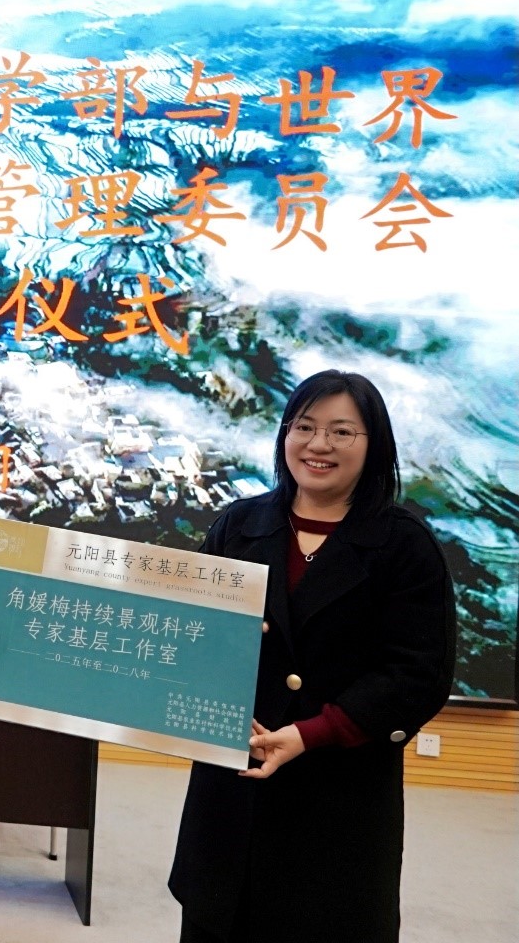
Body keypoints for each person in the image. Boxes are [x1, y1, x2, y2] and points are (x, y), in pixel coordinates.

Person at [169, 370, 456, 943]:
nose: (318, 445)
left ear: (374, 445)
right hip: (232, 790)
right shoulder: (239, 525)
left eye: (341, 431)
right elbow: (181, 630)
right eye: (304, 427)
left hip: (338, 798)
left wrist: (310, 733)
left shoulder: (404, 545)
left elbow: (418, 674)